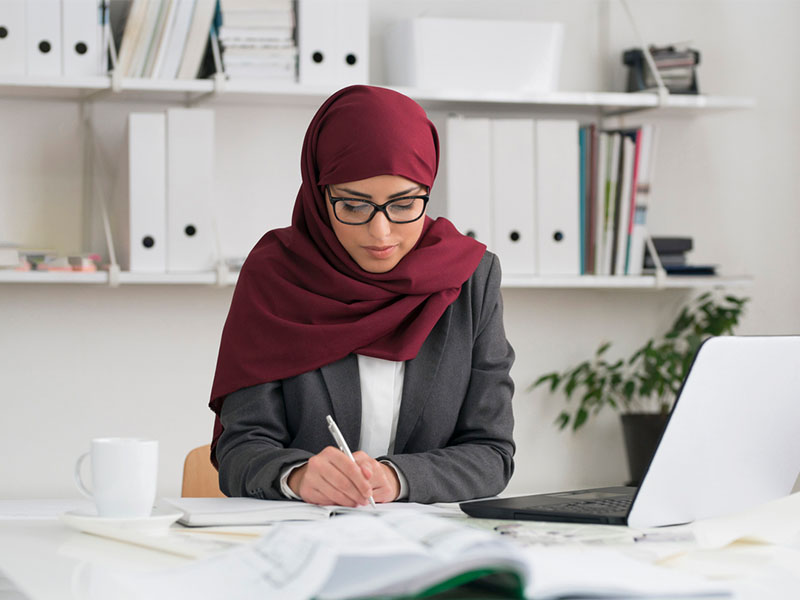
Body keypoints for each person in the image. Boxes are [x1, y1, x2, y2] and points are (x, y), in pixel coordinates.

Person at [209, 85, 514, 506]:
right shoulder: (275, 276)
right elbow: (239, 449)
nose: (380, 232)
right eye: (353, 206)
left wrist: (396, 478)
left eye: (404, 204)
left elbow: (492, 453)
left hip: (428, 547)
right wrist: (296, 476)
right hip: (297, 544)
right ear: (320, 194)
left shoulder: (470, 279)